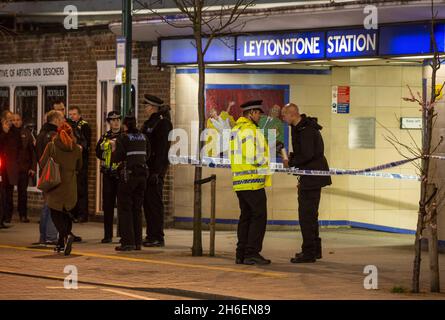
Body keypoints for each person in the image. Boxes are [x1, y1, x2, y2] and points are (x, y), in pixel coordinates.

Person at [282, 103, 332, 263]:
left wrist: (291, 162)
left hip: (313, 177)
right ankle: (314, 250)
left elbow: (307, 154)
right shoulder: (300, 128)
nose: (283, 119)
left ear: (292, 114)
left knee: (306, 216)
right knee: (311, 215)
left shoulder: (306, 130)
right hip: (310, 176)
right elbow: (303, 153)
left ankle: (309, 252)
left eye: (284, 115)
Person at [230, 100, 272, 265]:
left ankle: (241, 253)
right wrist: (264, 164)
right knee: (258, 217)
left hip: (240, 181)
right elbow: (252, 155)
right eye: (258, 113)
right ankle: (252, 252)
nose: (260, 116)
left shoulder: (235, 130)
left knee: (246, 217)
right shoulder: (250, 130)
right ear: (251, 113)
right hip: (253, 181)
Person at [39, 122, 82, 256]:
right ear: (71, 134)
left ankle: (66, 235)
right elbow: (79, 167)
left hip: (55, 184)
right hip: (70, 186)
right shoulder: (76, 148)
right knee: (66, 214)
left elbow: (42, 163)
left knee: (55, 213)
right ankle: (61, 243)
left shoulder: (51, 146)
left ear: (58, 133)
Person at [112, 116, 150, 251]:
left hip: (128, 176)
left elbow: (117, 157)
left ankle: (128, 242)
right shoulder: (143, 137)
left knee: (125, 208)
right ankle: (137, 242)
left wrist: (113, 148)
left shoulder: (123, 138)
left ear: (125, 126)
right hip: (142, 176)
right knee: (137, 209)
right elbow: (148, 154)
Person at [141, 94, 172, 248]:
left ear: (152, 107)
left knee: (154, 204)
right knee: (148, 204)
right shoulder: (150, 122)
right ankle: (150, 234)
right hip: (147, 169)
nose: (144, 108)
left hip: (155, 170)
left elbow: (162, 150)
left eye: (146, 106)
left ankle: (157, 236)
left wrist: (158, 172)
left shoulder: (162, 123)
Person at [36, 110, 65, 245]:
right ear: (56, 120)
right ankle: (51, 236)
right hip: (53, 174)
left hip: (44, 173)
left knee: (46, 205)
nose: (63, 121)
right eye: (62, 118)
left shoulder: (41, 134)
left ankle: (43, 236)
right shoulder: (54, 135)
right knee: (53, 205)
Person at [95, 111, 122, 243]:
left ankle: (123, 234)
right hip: (108, 174)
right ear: (109, 122)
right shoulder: (105, 136)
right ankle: (108, 235)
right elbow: (98, 152)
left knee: (123, 205)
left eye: (118, 119)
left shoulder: (124, 135)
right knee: (108, 206)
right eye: (113, 120)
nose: (116, 122)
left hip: (121, 174)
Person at [11, 113, 37, 223]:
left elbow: (32, 153)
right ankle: (6, 215)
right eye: (14, 120)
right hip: (10, 167)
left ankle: (23, 215)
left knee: (23, 193)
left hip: (24, 167)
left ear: (21, 121)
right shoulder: (8, 133)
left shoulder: (27, 133)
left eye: (18, 120)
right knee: (6, 193)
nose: (16, 122)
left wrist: (32, 167)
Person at [68, 106, 91, 223]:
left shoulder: (84, 125)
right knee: (73, 188)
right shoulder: (69, 125)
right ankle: (73, 213)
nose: (72, 116)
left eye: (74, 114)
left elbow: (86, 144)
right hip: (72, 162)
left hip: (82, 161)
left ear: (79, 114)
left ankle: (82, 214)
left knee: (81, 188)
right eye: (70, 114)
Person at [0, 110, 21, 225]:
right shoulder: (3, 131)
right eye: (9, 120)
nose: (11, 122)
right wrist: (4, 132)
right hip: (2, 167)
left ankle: (7, 216)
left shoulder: (15, 132)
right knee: (2, 193)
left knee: (9, 192)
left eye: (12, 120)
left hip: (11, 166)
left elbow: (18, 148)